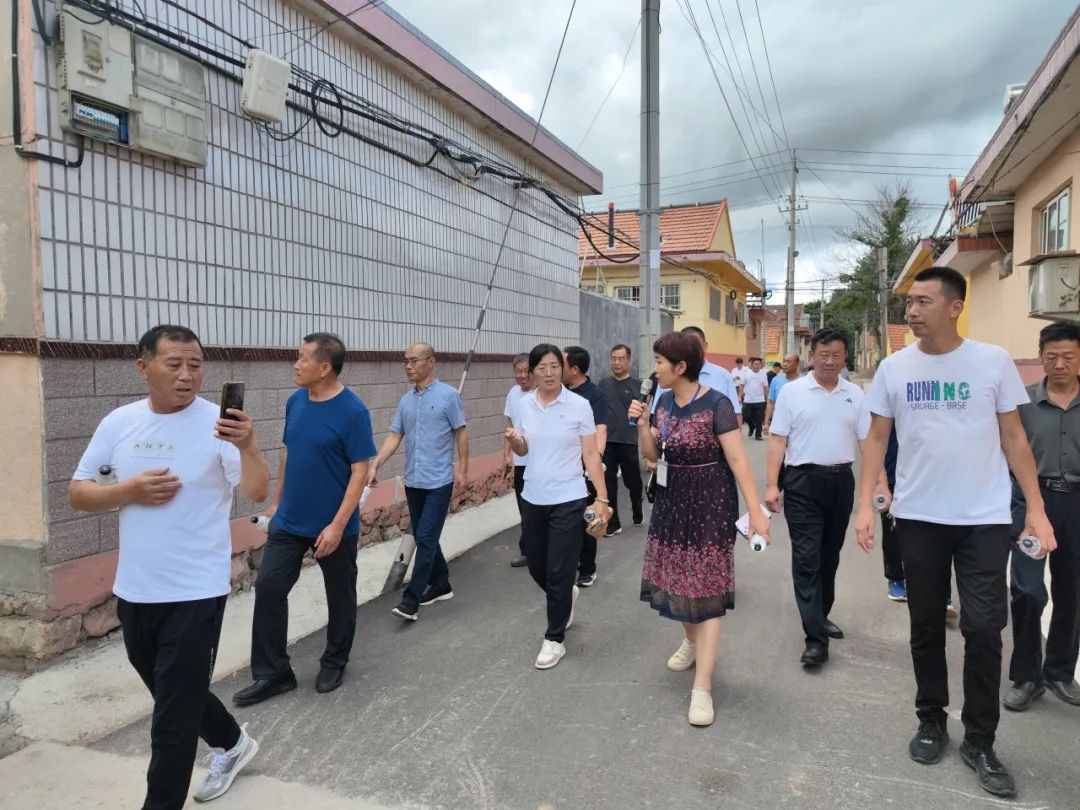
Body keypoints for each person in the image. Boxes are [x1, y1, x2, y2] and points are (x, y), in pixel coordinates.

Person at [854, 266, 1056, 799]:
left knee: (985, 628)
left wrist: (1035, 509)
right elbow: (876, 439)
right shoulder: (895, 368)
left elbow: (1015, 438)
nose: (911, 311)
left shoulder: (992, 362)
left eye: (922, 301)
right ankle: (931, 719)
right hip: (919, 517)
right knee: (925, 623)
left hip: (983, 519)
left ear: (954, 307)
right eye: (909, 302)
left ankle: (980, 740)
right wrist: (865, 504)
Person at [69, 325, 269, 808]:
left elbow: (257, 491)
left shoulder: (219, 425)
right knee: (171, 692)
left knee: (171, 722)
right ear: (144, 367)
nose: (187, 375)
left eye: (195, 365)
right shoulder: (119, 422)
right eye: (174, 364)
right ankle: (233, 743)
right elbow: (78, 493)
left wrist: (248, 445)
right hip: (136, 590)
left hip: (196, 590)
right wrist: (128, 491)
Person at [629, 331, 769, 727]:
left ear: (680, 366)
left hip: (710, 504)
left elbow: (738, 460)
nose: (655, 368)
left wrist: (756, 512)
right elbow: (654, 455)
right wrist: (642, 425)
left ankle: (702, 687)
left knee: (706, 588)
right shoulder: (663, 402)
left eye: (660, 362)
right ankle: (692, 642)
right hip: (672, 502)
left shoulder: (717, 404)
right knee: (678, 582)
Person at [233, 334, 376, 707]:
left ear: (324, 367)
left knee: (340, 596)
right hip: (290, 521)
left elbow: (359, 472)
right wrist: (277, 503)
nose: (295, 365)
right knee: (269, 588)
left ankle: (334, 661)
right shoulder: (295, 401)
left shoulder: (353, 411)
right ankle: (274, 673)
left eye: (302, 358)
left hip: (333, 525)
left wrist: (337, 526)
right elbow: (288, 453)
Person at [765, 328, 882, 667]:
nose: (829, 361)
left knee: (829, 556)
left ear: (845, 358)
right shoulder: (793, 393)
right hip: (802, 481)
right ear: (812, 356)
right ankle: (815, 640)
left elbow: (868, 442)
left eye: (836, 355)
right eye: (823, 354)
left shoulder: (855, 395)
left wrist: (880, 482)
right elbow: (777, 440)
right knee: (807, 559)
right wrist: (772, 484)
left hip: (841, 481)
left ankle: (820, 614)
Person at [505, 344, 612, 669]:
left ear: (563, 369)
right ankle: (565, 594)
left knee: (560, 569)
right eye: (542, 367)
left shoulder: (579, 406)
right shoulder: (524, 404)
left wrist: (602, 497)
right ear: (533, 372)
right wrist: (516, 443)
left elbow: (590, 454)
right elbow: (525, 450)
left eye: (555, 366)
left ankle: (554, 638)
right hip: (533, 497)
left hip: (569, 497)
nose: (549, 373)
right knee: (537, 566)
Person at [1003, 320, 1080, 712]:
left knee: (1072, 590)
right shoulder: (1023, 404)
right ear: (1041, 357)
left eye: (1068, 356)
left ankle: (1060, 672)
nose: (1059, 364)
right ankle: (1027, 676)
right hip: (1032, 502)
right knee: (1028, 590)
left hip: (1076, 503)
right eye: (1052, 357)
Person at [369, 342, 469, 622]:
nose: (408, 366)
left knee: (424, 539)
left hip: (439, 481)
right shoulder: (406, 401)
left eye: (414, 360)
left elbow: (461, 433)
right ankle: (441, 584)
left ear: (431, 362)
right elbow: (395, 435)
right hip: (413, 481)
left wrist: (463, 470)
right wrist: (376, 464)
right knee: (428, 536)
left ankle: (410, 601)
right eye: (405, 361)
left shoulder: (449, 396)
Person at [563, 346, 610, 587]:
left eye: (561, 364)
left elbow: (601, 428)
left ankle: (587, 568)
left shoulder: (594, 394)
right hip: (564, 466)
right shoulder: (560, 392)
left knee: (586, 517)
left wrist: (595, 462)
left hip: (585, 465)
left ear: (574, 369)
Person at [652, 326, 742, 425]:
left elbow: (735, 416)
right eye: (686, 347)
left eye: (695, 346)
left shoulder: (723, 376)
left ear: (705, 346)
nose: (691, 351)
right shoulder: (666, 381)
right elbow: (656, 422)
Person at [599, 343, 645, 535]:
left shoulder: (637, 386)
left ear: (629, 361)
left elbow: (643, 414)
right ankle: (613, 522)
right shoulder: (603, 384)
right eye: (613, 359)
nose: (616, 363)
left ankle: (637, 507)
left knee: (632, 481)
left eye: (621, 359)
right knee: (609, 482)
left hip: (628, 441)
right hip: (607, 441)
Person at [504, 353, 534, 568]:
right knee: (524, 508)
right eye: (518, 371)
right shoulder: (513, 393)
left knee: (538, 508)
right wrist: (506, 455)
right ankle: (528, 551)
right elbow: (509, 425)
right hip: (520, 462)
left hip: (539, 461)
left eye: (526, 371)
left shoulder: (541, 393)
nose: (522, 375)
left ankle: (542, 549)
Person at [763, 353, 800, 435]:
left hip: (799, 424)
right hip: (779, 423)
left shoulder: (804, 381)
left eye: (789, 362)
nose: (785, 364)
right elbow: (770, 403)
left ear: (797, 364)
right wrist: (766, 423)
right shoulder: (776, 380)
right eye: (784, 361)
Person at [742, 357, 769, 440]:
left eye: (759, 364)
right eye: (756, 364)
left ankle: (758, 435)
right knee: (745, 416)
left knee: (759, 418)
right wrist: (740, 396)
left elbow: (766, 387)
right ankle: (751, 426)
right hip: (748, 400)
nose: (757, 365)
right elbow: (742, 385)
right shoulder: (746, 373)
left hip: (760, 400)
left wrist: (767, 397)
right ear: (752, 365)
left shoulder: (763, 374)